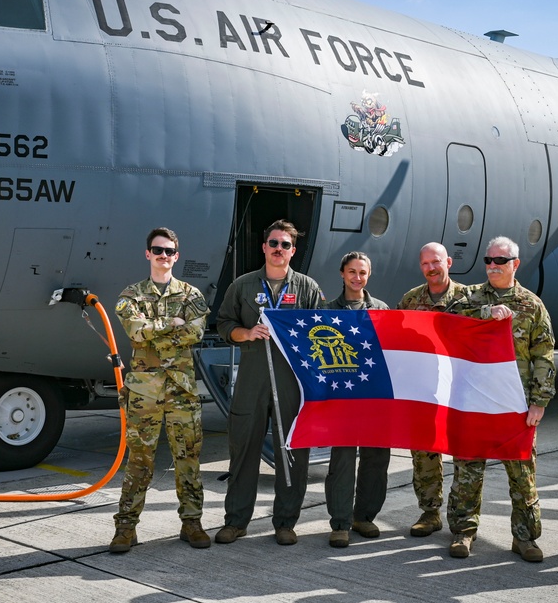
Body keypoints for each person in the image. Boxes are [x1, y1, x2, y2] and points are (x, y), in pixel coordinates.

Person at [214, 219, 326, 546]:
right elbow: (224, 323)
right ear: (264, 247)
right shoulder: (244, 286)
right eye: (274, 243)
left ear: (294, 250)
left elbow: (319, 331)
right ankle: (236, 521)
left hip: (291, 381)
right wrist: (246, 333)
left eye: (285, 245)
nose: (279, 250)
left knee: (291, 451)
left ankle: (286, 522)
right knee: (243, 451)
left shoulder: (307, 288)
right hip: (252, 378)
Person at [447, 236, 555, 562]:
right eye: (489, 260)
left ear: (515, 264)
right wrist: (485, 312)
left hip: (516, 406)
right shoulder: (471, 296)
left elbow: (545, 355)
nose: (493, 266)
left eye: (500, 261)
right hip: (475, 401)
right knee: (467, 472)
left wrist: (540, 401)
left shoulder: (531, 305)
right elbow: (449, 320)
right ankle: (463, 532)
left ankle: (524, 537)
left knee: (522, 475)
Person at [109, 227, 210, 553]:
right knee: (138, 461)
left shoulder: (191, 295)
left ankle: (192, 523)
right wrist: (173, 325)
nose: (163, 256)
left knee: (188, 460)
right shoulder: (131, 295)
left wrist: (156, 331)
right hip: (144, 393)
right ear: (147, 253)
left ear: (176, 256)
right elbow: (135, 333)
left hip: (182, 390)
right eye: (157, 250)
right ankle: (126, 528)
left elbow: (195, 333)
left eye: (169, 251)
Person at [396, 243, 467, 539]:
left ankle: (463, 519)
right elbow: (398, 342)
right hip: (424, 389)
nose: (431, 268)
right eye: (425, 264)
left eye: (436, 262)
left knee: (465, 454)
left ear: (448, 261)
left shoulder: (469, 299)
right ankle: (430, 512)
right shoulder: (411, 300)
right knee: (424, 451)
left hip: (462, 389)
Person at [324, 252, 391, 548]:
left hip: (375, 396)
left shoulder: (383, 310)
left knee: (376, 458)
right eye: (352, 272)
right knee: (342, 460)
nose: (357, 277)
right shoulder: (327, 311)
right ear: (342, 273)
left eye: (362, 272)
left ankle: (364, 517)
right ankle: (340, 522)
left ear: (369, 275)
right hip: (343, 398)